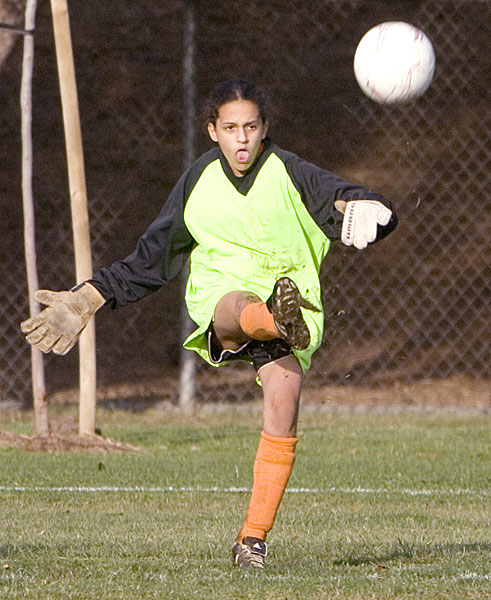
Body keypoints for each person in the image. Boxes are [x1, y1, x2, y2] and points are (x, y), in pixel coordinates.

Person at [21, 78, 397, 569]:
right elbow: (152, 259)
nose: (242, 138)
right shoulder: (198, 181)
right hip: (225, 293)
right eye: (231, 128)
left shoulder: (290, 172)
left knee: (284, 400)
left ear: (265, 128)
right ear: (212, 131)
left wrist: (368, 210)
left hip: (292, 297)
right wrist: (87, 298)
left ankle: (251, 540)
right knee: (235, 305)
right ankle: (272, 318)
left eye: (251, 127)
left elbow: (348, 201)